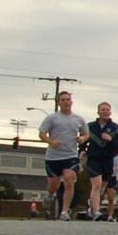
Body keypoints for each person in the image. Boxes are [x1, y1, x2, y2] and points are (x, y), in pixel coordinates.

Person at [38, 92, 89, 221]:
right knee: (54, 184)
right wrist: (50, 142)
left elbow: (87, 133)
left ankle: (64, 211)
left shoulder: (78, 119)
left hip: (70, 155)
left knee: (69, 180)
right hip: (53, 157)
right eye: (63, 100)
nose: (66, 102)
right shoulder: (52, 118)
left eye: (68, 99)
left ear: (71, 102)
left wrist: (83, 138)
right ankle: (50, 195)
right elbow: (42, 133)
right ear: (59, 102)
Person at [83, 102, 118, 221]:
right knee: (96, 185)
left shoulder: (115, 128)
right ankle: (95, 211)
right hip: (94, 158)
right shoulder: (90, 126)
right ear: (98, 112)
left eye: (107, 110)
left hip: (109, 160)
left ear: (110, 112)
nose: (105, 111)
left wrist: (111, 139)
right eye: (102, 109)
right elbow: (83, 140)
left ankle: (92, 202)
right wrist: (82, 150)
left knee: (101, 187)